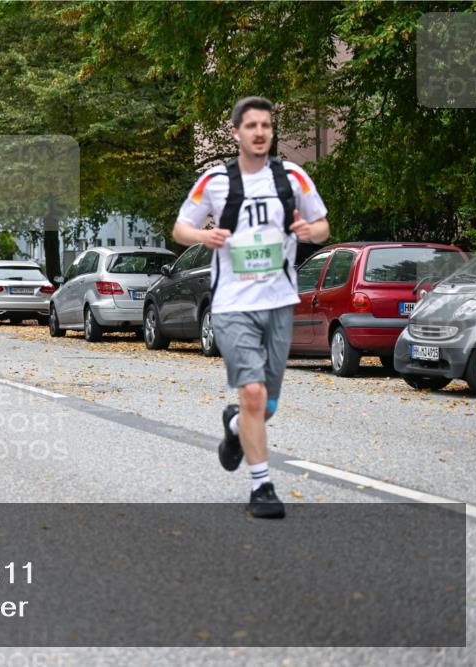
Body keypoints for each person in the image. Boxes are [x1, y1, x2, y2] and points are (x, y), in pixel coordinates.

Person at [172, 96, 330, 519]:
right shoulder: (215, 181)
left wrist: (307, 229)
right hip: (232, 305)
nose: (260, 132)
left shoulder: (293, 177)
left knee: (265, 406)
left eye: (266, 126)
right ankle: (262, 486)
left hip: (280, 303)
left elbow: (322, 226)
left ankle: (235, 427)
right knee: (253, 393)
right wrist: (203, 237)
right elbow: (180, 227)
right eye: (252, 126)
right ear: (235, 132)